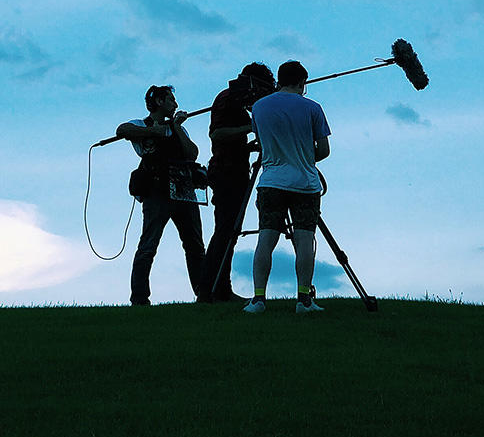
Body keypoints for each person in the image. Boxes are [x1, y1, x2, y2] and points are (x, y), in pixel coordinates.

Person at [243, 60, 330, 315]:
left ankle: (258, 299)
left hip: (271, 182)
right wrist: (302, 155)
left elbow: (261, 142)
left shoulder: (259, 107)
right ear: (303, 81)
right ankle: (303, 300)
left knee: (266, 239)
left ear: (279, 80)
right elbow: (323, 150)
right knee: (304, 241)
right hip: (305, 184)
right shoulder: (313, 108)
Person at [117, 84, 206, 306]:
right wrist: (152, 132)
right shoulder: (141, 124)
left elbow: (192, 153)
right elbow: (122, 130)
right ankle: (139, 298)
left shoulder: (178, 128)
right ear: (159, 102)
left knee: (194, 244)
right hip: (156, 192)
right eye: (171, 100)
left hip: (184, 190)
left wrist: (175, 127)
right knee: (149, 244)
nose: (175, 104)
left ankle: (204, 293)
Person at [198, 62, 276, 303]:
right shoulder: (228, 98)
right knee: (225, 231)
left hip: (235, 170)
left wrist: (249, 145)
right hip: (226, 173)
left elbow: (231, 141)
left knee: (229, 232)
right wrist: (251, 127)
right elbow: (217, 134)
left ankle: (219, 289)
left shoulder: (234, 100)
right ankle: (210, 290)